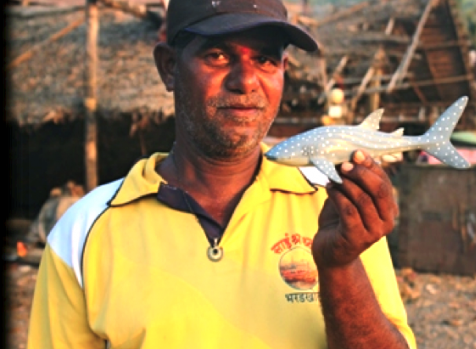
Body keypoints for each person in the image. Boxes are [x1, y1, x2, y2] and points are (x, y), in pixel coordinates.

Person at [26, 0, 416, 347]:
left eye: (265, 59)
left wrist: (340, 267)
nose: (245, 81)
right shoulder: (82, 232)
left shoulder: (337, 204)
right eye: (217, 55)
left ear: (283, 70)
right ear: (169, 68)